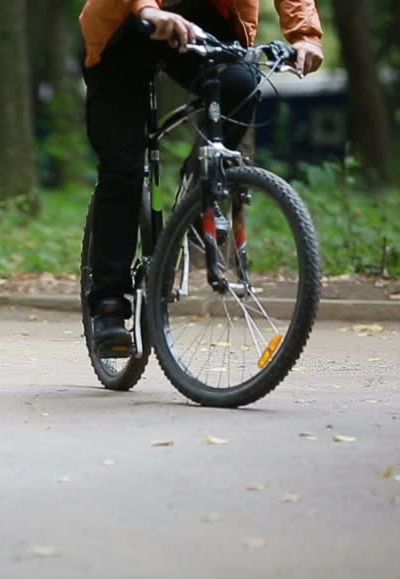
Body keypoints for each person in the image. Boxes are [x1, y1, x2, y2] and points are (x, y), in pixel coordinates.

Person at [80, 0, 324, 356]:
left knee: (242, 85)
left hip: (206, 20)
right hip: (126, 23)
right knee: (123, 169)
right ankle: (109, 307)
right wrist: (150, 12)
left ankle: (201, 193)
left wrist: (305, 36)